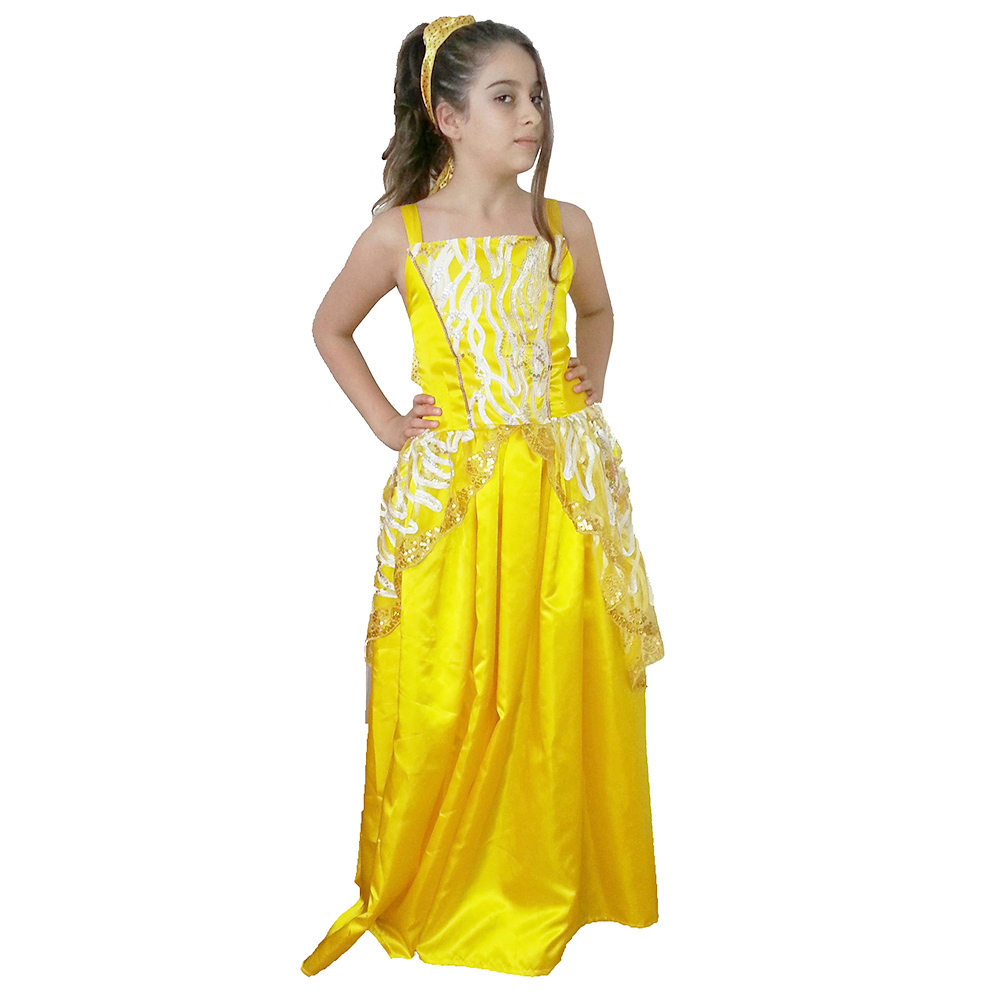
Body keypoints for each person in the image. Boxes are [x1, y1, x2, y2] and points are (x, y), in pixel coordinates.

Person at [300, 15, 665, 977]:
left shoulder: (563, 226)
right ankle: (444, 878)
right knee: (450, 684)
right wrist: (388, 423)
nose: (530, 114)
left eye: (536, 95)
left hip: (562, 492)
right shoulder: (403, 235)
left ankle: (553, 874)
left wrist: (591, 374)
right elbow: (330, 328)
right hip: (455, 499)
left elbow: (598, 309)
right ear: (448, 116)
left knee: (556, 686)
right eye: (506, 97)